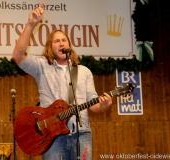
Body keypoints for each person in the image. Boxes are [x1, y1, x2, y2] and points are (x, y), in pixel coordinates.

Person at [12, 1, 112, 160]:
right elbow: (18, 55)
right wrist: (31, 25)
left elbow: (93, 105)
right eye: (56, 41)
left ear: (69, 45)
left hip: (82, 133)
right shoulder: (42, 67)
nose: (61, 43)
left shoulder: (84, 71)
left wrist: (103, 106)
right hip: (53, 137)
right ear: (50, 47)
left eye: (64, 40)